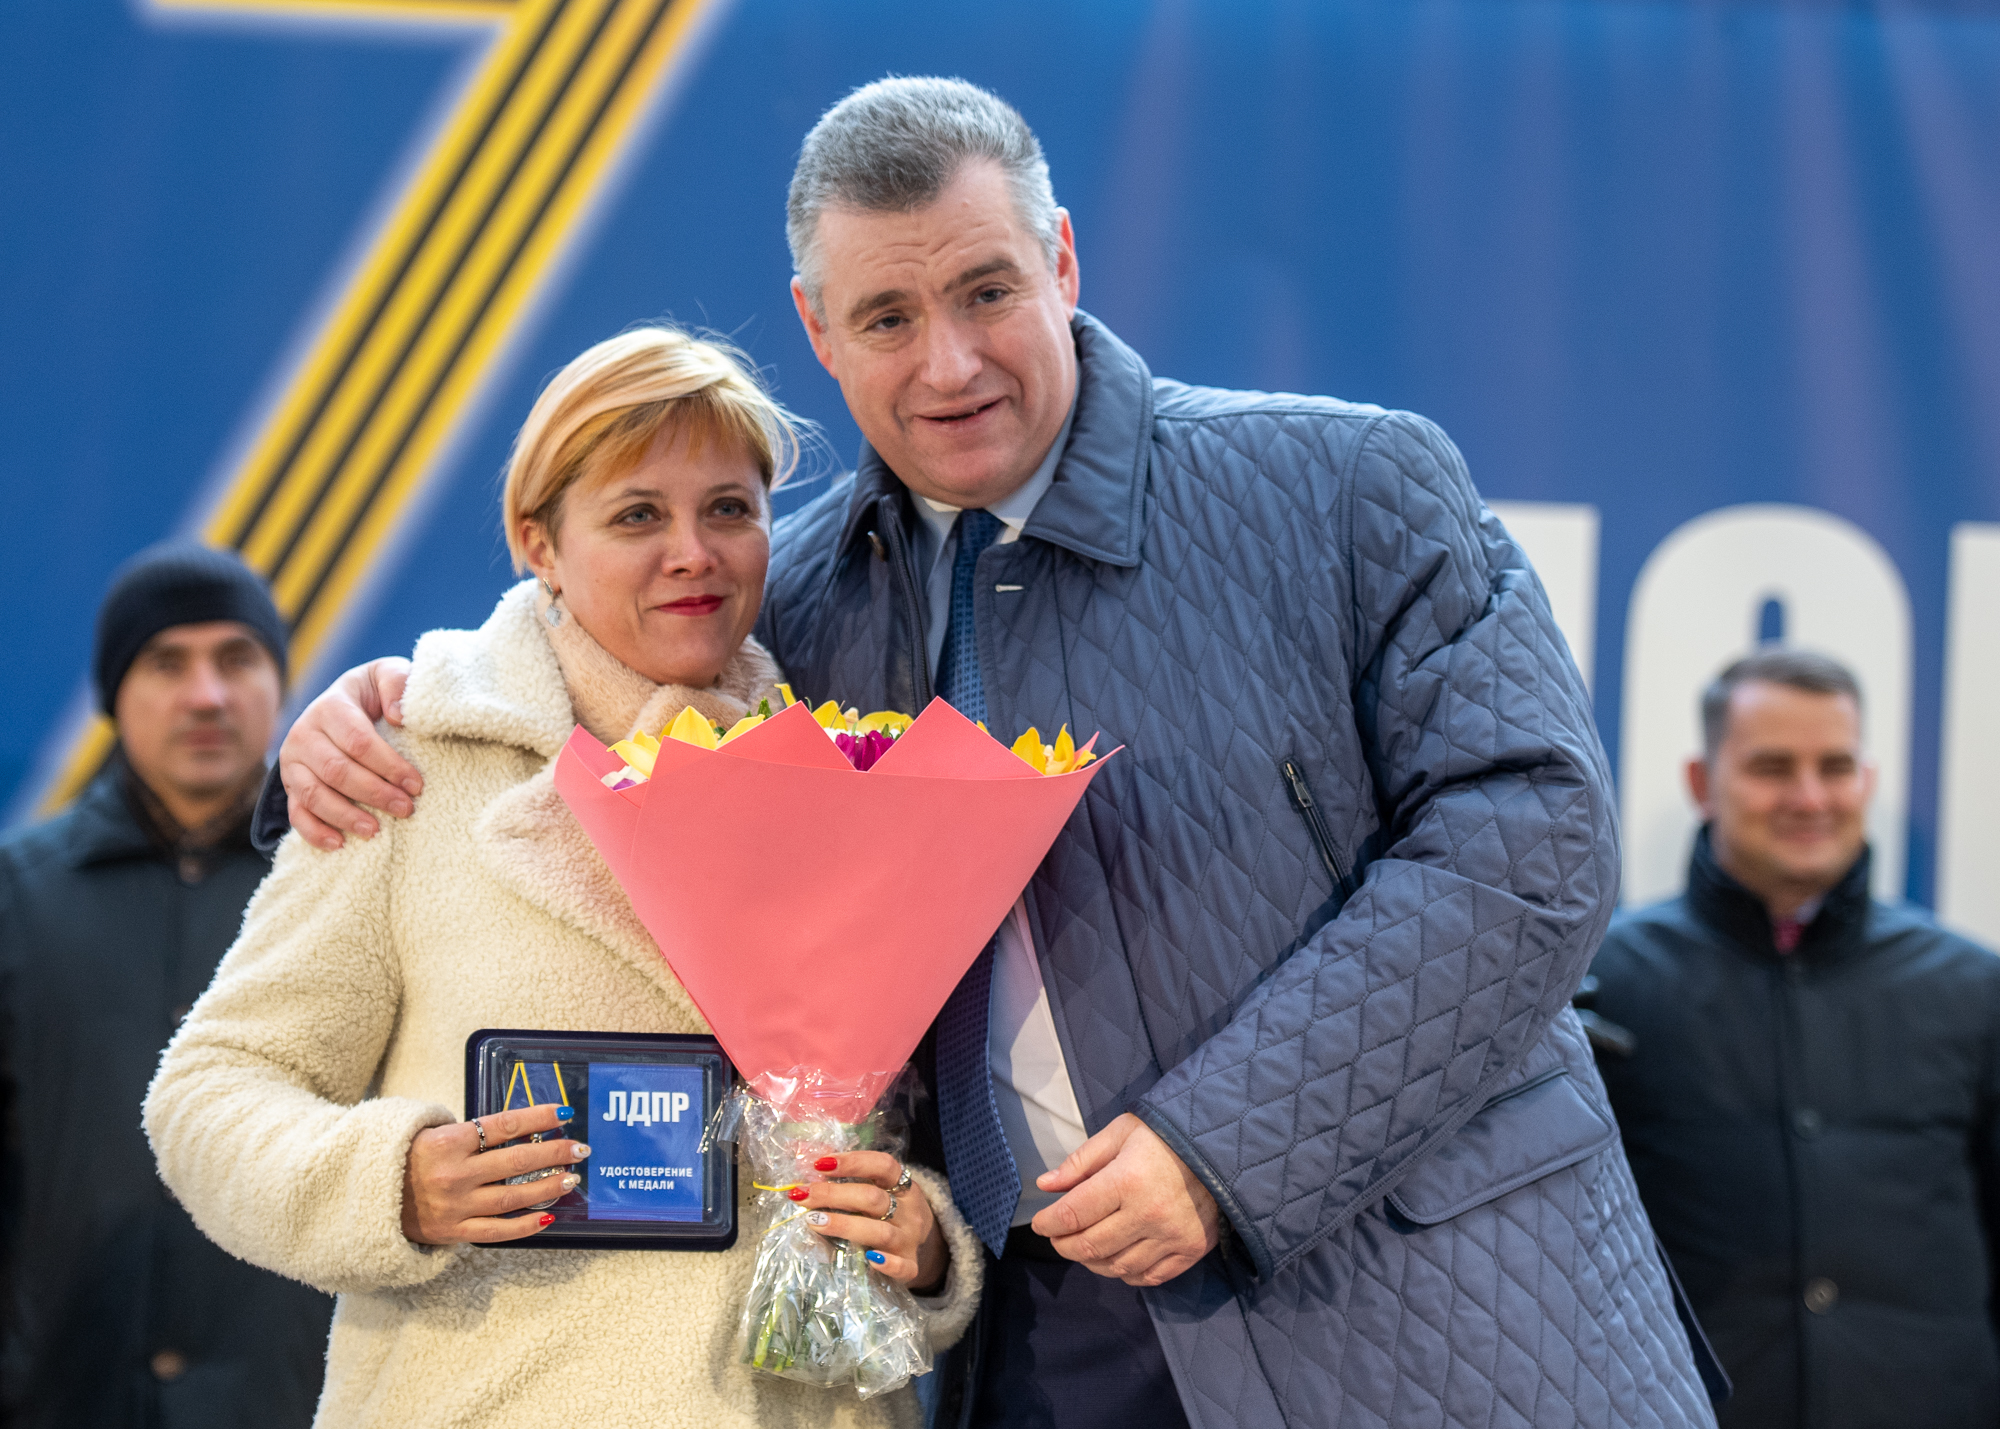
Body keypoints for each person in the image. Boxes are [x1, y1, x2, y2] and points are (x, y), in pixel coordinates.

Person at [263, 79, 1715, 1428]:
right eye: (886, 317)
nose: (948, 363)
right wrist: (388, 700)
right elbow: (577, 652)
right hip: (1029, 1350)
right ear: (817, 329)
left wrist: (1222, 1150)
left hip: (1404, 1315)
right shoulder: (786, 605)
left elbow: (1532, 840)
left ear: (1063, 261)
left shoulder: (1345, 486)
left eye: (986, 291)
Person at [142, 328, 982, 1429]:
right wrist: (395, 1182)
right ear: (538, 541)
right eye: (637, 515)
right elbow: (208, 1091)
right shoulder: (408, 762)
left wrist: (921, 1243)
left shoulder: (844, 773)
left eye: (729, 508)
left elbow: (890, 1129)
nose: (693, 552)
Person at [1588, 648, 2000, 1428]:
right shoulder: (1603, 982)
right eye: (1772, 766)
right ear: (1702, 781)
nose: (1809, 797)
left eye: (1835, 766)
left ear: (1867, 779)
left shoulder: (1975, 989)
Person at [0, 543, 332, 1426]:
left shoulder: (344, 885)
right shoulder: (16, 896)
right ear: (115, 694)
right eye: (166, 662)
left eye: (237, 658)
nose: (206, 695)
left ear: (280, 683)